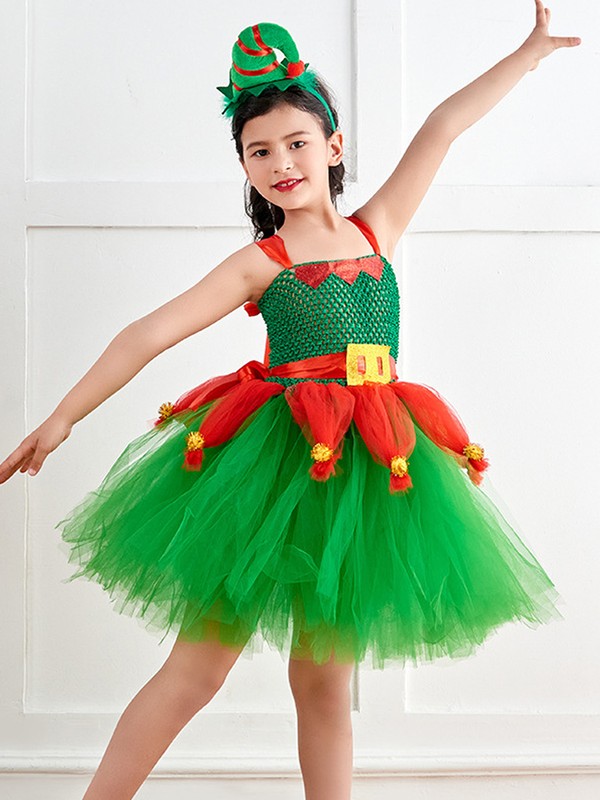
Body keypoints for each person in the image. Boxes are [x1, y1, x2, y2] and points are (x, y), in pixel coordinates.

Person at [0, 6, 580, 800]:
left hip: (361, 469)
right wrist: (62, 416)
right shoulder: (261, 262)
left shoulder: (376, 231)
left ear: (334, 147)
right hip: (273, 470)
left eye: (297, 143)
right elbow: (149, 332)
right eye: (259, 150)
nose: (281, 162)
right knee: (197, 670)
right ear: (244, 165)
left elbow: (442, 127)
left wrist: (529, 54)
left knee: (323, 683)